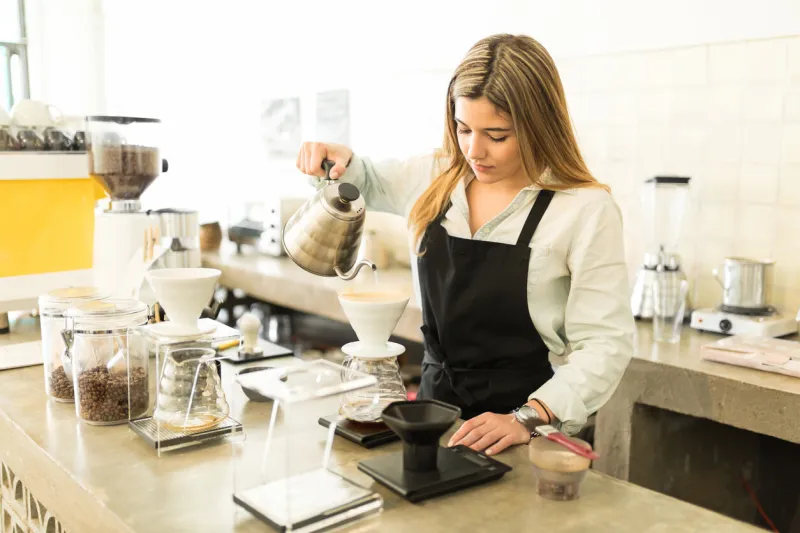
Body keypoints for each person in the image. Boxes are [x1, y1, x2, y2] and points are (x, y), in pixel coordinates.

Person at [296, 34, 635, 456]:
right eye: (463, 128)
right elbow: (364, 178)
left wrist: (527, 417)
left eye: (497, 135)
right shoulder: (436, 178)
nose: (475, 151)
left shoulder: (584, 209)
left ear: (539, 126)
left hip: (529, 431)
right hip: (436, 415)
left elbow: (606, 344)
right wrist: (333, 159)